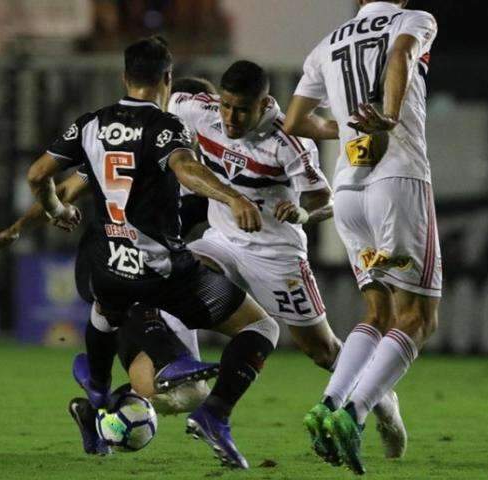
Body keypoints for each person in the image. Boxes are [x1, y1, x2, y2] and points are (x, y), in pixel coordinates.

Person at [25, 37, 279, 469]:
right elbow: (186, 168)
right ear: (167, 77)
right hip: (162, 272)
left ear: (124, 78)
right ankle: (214, 414)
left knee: (107, 313)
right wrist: (233, 197)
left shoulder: (91, 124)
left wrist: (55, 208)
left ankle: (100, 398)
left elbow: (37, 173)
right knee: (262, 329)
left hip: (109, 267)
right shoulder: (165, 127)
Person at [284, 0, 439, 474]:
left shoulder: (326, 44)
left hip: (349, 188)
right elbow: (401, 55)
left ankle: (330, 404)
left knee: (378, 311)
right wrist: (388, 117)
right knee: (417, 317)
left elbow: (294, 122)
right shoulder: (413, 20)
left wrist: (341, 127)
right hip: (398, 182)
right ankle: (354, 414)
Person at [168, 60, 342, 371]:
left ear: (264, 104)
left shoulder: (289, 143)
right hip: (221, 241)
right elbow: (156, 100)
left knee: (321, 350)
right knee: (171, 281)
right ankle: (188, 374)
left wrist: (303, 213)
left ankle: (382, 400)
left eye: (242, 110)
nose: (230, 118)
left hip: (275, 253)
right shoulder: (201, 111)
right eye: (226, 105)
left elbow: (325, 200)